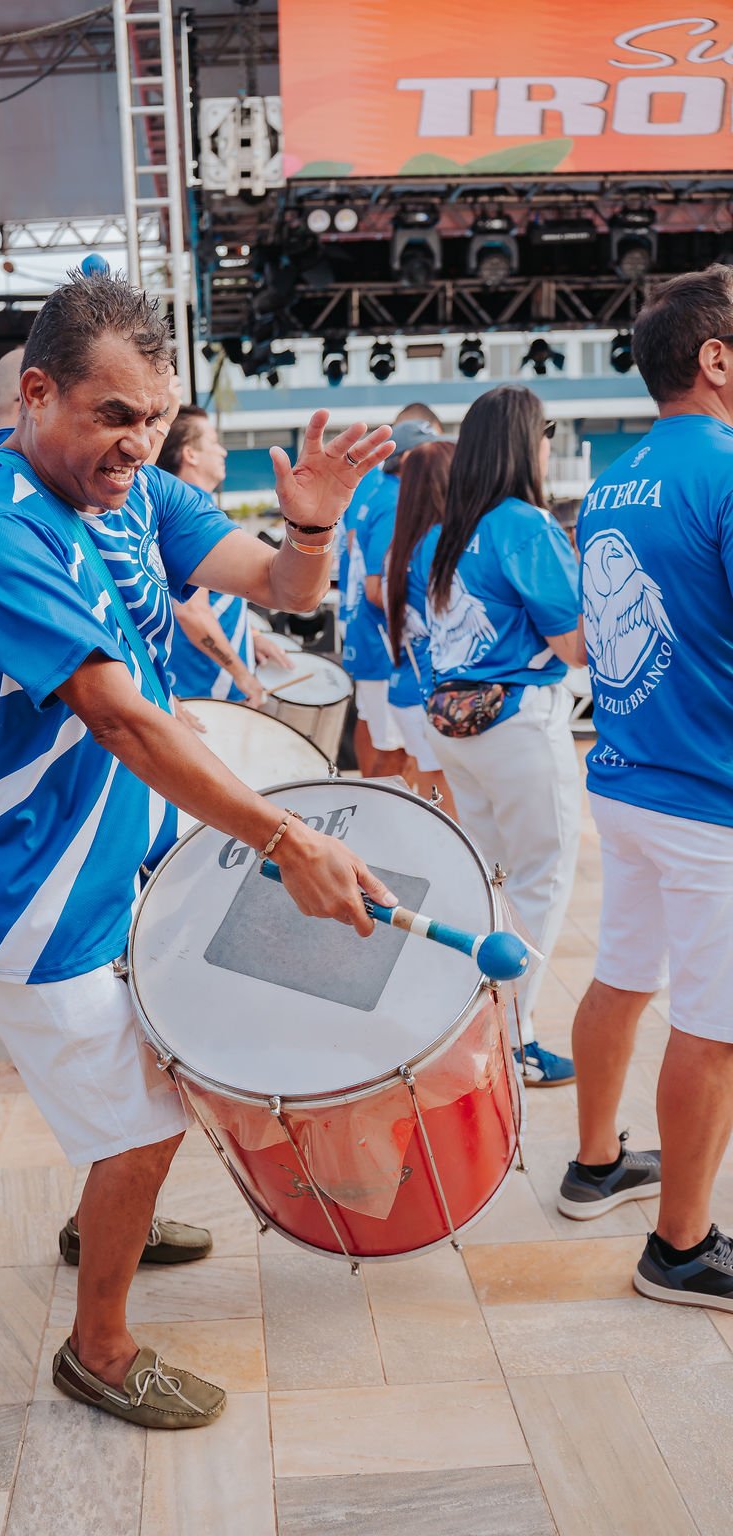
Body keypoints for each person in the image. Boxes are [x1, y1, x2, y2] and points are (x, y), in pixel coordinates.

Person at [0, 271, 395, 1429]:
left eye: (155, 420)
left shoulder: (126, 487)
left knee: (155, 1069)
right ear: (36, 394)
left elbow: (277, 585)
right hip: (29, 882)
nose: (138, 443)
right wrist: (285, 839)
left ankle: (104, 1220)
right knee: (144, 1118)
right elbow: (119, 715)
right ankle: (99, 1348)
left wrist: (311, 525)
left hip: (121, 848)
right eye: (115, 416)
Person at [558, 264, 733, 1311]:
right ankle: (680, 1245)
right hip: (710, 798)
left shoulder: (611, 481)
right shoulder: (727, 470)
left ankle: (593, 1165)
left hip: (627, 780)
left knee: (623, 975)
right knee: (714, 1025)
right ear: (715, 358)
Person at [417, 386, 583, 1086]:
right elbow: (575, 644)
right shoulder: (525, 524)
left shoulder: (442, 532)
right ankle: (511, 1041)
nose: (547, 446)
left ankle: (479, 1028)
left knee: (492, 880)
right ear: (523, 443)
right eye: (544, 434)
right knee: (542, 879)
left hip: (455, 724)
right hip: (516, 720)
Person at [160, 405, 294, 703]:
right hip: (203, 688)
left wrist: (252, 638)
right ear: (190, 454)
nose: (223, 451)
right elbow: (191, 612)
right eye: (213, 442)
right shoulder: (187, 514)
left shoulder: (192, 507)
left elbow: (214, 601)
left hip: (207, 683)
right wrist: (241, 674)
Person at [344, 421, 439, 776]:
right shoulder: (395, 500)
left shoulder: (382, 492)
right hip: (385, 641)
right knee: (396, 754)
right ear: (410, 459)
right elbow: (377, 588)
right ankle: (376, 811)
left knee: (393, 745)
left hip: (375, 637)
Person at [383, 438, 457, 816]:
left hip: (406, 686)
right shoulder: (438, 542)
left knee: (428, 793)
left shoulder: (402, 544)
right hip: (432, 691)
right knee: (448, 818)